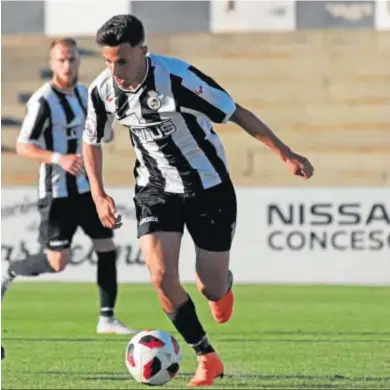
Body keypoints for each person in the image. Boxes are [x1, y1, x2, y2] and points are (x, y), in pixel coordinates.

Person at [82, 15, 314, 387]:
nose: (115, 70)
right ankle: (206, 356)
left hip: (208, 188)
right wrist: (98, 193)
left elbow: (235, 112)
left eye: (122, 61)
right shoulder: (102, 90)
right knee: (161, 277)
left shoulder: (179, 80)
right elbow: (91, 139)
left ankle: (222, 288)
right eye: (108, 62)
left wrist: (285, 154)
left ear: (143, 51)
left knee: (210, 287)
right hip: (155, 189)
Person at [1, 39, 135, 354]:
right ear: (52, 62)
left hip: (86, 189)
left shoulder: (84, 94)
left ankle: (107, 318)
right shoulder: (43, 101)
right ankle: (9, 269)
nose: (67, 65)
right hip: (57, 193)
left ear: (78, 61)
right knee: (56, 262)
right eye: (61, 60)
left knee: (106, 246)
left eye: (72, 59)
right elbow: (23, 145)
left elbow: (95, 132)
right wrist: (58, 158)